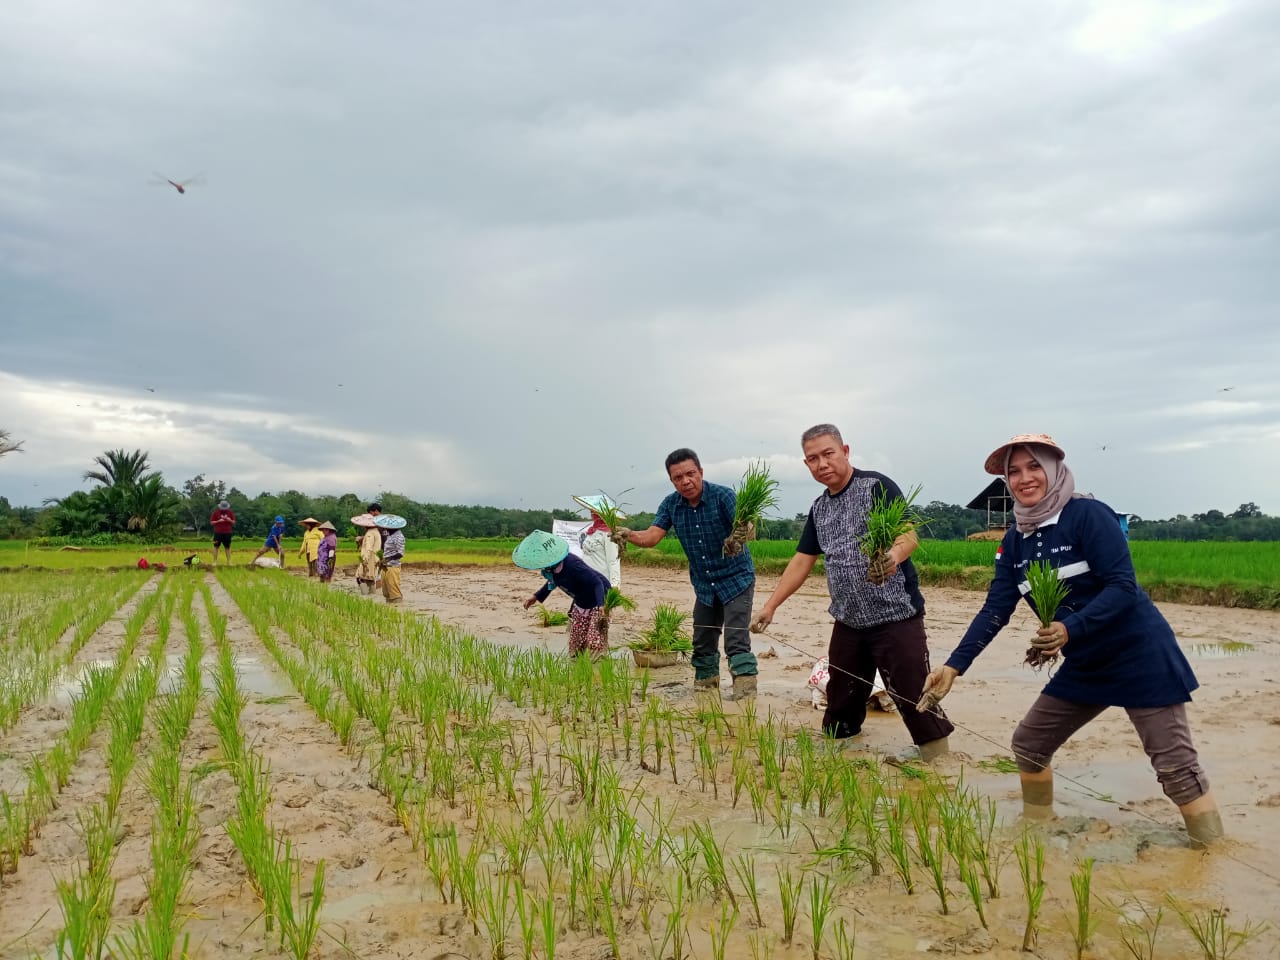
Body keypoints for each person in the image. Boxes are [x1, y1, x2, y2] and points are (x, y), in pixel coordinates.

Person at [919, 434, 1223, 846]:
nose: (1024, 478)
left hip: (1139, 655)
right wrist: (954, 667)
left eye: (1033, 467)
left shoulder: (1087, 515)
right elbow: (995, 609)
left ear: (1053, 468)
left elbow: (1123, 586)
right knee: (1029, 744)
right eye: (1014, 471)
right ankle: (1036, 832)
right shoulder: (1015, 542)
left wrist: (1068, 628)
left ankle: (1212, 854)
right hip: (1086, 663)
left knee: (1175, 768)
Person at [751, 424, 953, 759]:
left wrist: (892, 557)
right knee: (841, 696)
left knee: (911, 690)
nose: (822, 463)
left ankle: (937, 759)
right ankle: (842, 752)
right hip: (848, 620)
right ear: (806, 465)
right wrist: (770, 606)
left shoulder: (876, 486)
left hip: (895, 616)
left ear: (845, 451)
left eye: (828, 454)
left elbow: (908, 535)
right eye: (813, 458)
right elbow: (802, 561)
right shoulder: (819, 508)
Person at [616, 448, 759, 699]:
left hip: (736, 579)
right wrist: (629, 535)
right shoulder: (671, 504)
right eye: (678, 478)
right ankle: (705, 693)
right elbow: (652, 536)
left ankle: (745, 699)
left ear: (701, 472)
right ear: (672, 481)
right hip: (704, 584)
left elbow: (747, 527)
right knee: (703, 640)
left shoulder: (723, 496)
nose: (685, 481)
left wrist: (741, 533)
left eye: (690, 474)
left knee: (736, 640)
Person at [515, 530, 612, 658]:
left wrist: (601, 605)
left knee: (594, 638)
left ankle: (597, 669)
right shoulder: (551, 569)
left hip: (599, 596)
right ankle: (577, 667)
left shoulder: (573, 565)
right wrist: (536, 596)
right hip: (581, 599)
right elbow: (552, 582)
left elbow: (597, 583)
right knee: (577, 640)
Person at [574, 495, 622, 587]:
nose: (591, 513)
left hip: (602, 581)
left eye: (594, 511)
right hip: (587, 579)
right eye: (591, 511)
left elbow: (613, 561)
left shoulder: (609, 534)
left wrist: (615, 585)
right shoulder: (591, 532)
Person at [354, 516, 381, 595]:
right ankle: (372, 595)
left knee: (360, 578)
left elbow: (368, 549)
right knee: (371, 579)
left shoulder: (370, 533)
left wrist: (364, 561)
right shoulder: (376, 532)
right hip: (375, 559)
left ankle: (365, 596)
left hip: (369, 560)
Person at [379, 524, 405, 603]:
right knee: (386, 592)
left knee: (394, 592)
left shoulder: (399, 537)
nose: (385, 528)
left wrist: (388, 559)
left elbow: (400, 553)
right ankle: (389, 609)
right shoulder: (390, 535)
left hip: (392, 566)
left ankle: (397, 608)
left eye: (387, 526)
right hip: (386, 566)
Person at [210, 499, 236, 565]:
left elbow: (233, 522)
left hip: (228, 532)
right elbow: (211, 522)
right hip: (218, 533)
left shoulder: (230, 513)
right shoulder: (215, 513)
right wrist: (218, 521)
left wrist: (229, 520)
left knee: (228, 547)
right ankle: (215, 561)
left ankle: (229, 562)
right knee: (216, 547)